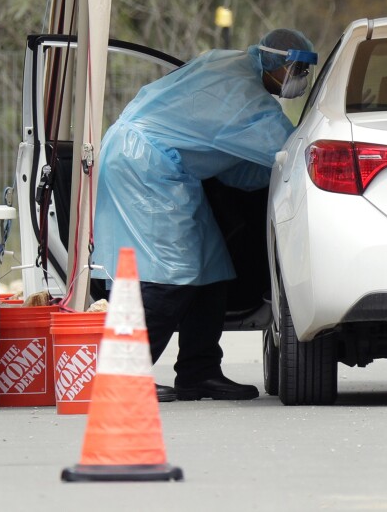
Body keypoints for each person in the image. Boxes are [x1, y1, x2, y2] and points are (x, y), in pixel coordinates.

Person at [92, 29, 317, 402]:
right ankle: (121, 375)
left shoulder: (229, 64)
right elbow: (290, 151)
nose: (300, 81)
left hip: (168, 168)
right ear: (282, 64)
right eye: (298, 71)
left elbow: (227, 159)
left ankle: (200, 372)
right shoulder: (245, 95)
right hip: (146, 165)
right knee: (170, 274)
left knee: (212, 270)